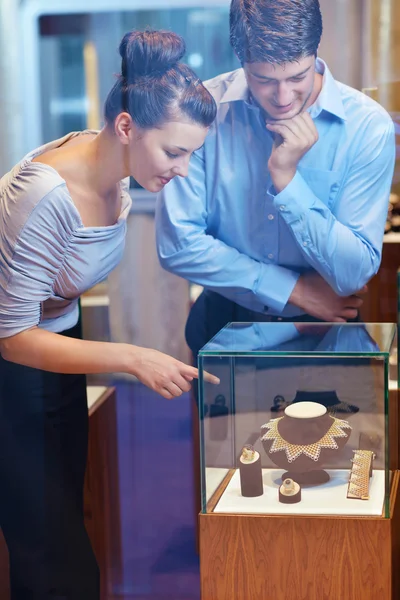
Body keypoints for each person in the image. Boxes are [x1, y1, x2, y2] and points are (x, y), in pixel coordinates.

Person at [0, 29, 218, 599]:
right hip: (12, 377)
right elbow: (13, 337)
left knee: (66, 534)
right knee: (53, 561)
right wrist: (132, 357)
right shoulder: (47, 193)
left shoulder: (115, 173)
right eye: (175, 151)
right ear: (126, 127)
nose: (184, 168)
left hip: (55, 366)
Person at [156, 0, 396, 361]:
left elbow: (352, 274)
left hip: (330, 333)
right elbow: (178, 245)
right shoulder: (200, 114)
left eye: (297, 77)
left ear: (315, 53)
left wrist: (288, 181)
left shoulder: (366, 127)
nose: (283, 98)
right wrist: (294, 289)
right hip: (226, 331)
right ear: (240, 58)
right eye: (264, 79)